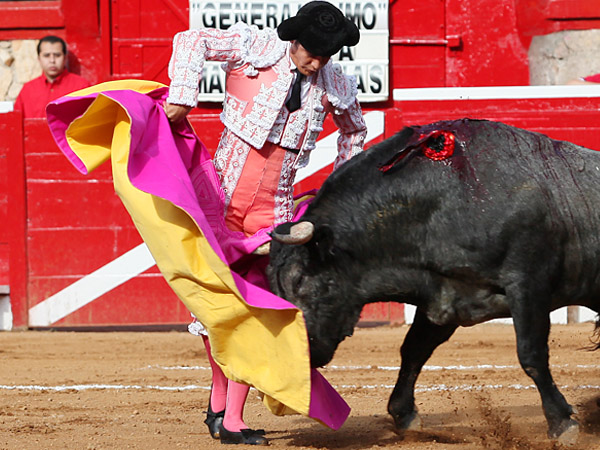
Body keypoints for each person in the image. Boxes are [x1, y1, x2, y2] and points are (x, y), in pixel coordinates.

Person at [165, 1, 366, 446]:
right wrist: (181, 96)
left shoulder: (334, 82)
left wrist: (338, 188)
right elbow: (191, 39)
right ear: (294, 39)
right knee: (217, 307)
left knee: (259, 312)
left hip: (272, 214)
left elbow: (354, 132)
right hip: (221, 203)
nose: (316, 61)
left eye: (325, 54)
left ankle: (232, 417)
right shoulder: (256, 46)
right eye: (311, 51)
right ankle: (219, 401)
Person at [14, 35, 90, 118]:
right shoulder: (28, 90)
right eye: (46, 55)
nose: (52, 60)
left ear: (65, 58)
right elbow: (16, 123)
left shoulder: (82, 87)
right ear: (39, 58)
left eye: (57, 55)